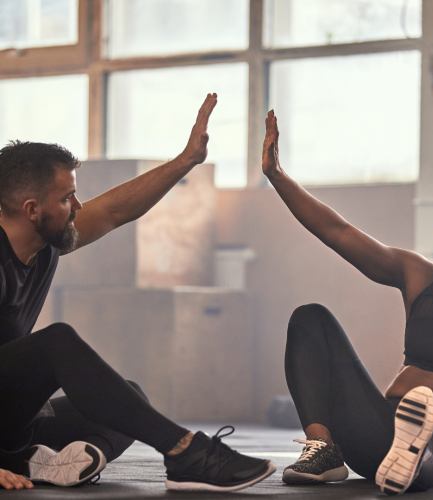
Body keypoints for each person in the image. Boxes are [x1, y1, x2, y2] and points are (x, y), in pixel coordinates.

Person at [0, 94, 276, 491]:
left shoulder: (46, 242)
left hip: (13, 422)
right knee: (55, 343)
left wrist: (185, 162)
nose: (78, 206)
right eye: (66, 198)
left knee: (127, 397)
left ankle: (39, 462)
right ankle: (186, 451)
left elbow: (113, 211)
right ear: (31, 209)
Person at [261, 109, 433, 495]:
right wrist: (277, 177)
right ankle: (323, 450)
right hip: (380, 425)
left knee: (427, 452)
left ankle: (411, 464)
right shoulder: (419, 277)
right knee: (311, 318)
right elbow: (338, 232)